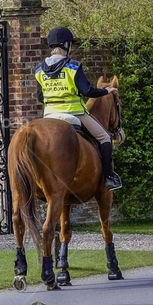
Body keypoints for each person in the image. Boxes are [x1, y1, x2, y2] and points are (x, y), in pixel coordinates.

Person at [34, 26, 122, 190]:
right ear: (66, 45)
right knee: (104, 137)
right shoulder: (72, 66)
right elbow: (87, 90)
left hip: (50, 115)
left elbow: (40, 97)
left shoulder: (39, 69)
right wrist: (106, 90)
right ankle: (109, 177)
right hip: (74, 112)